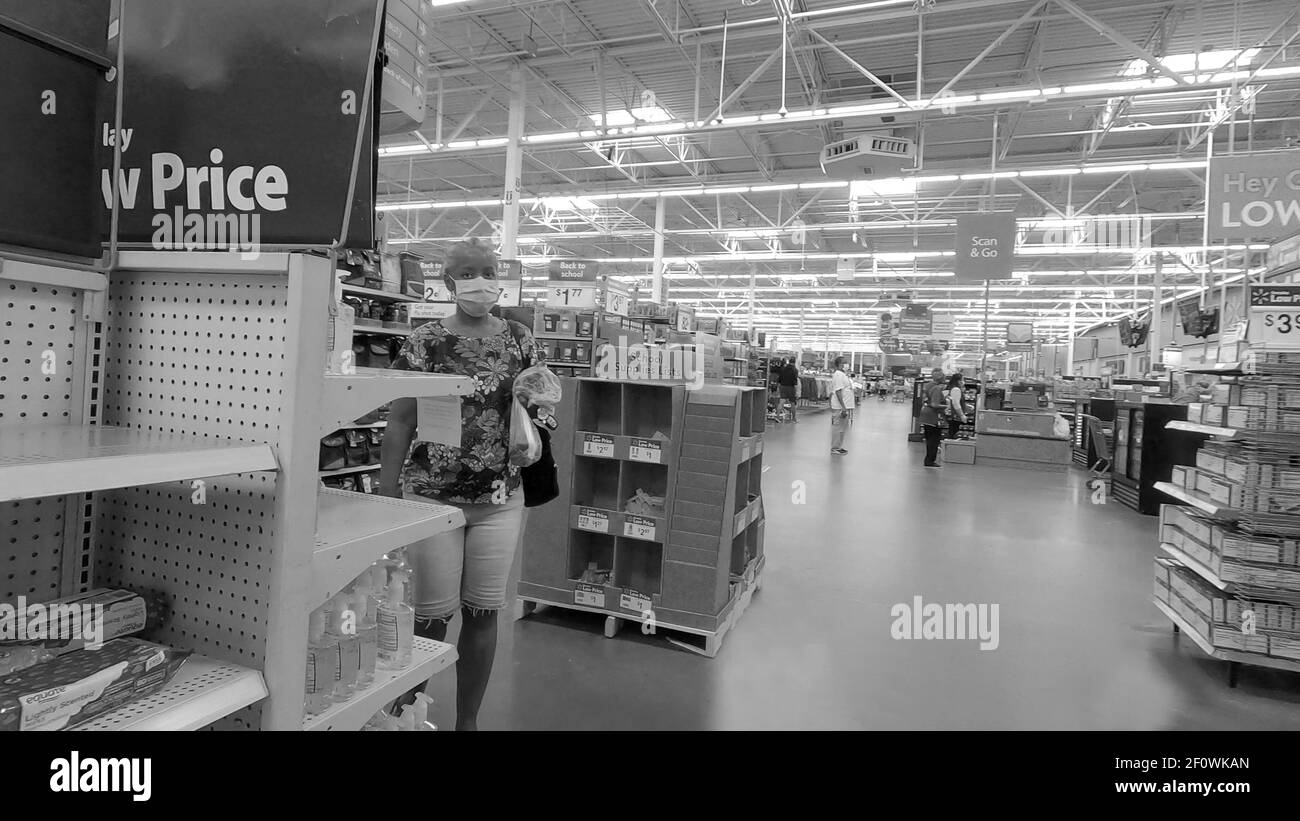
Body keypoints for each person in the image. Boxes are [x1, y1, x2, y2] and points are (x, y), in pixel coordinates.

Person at [378, 238, 549, 731]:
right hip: (432, 495)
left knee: (483, 611)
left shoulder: (520, 338)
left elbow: (536, 405)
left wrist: (539, 407)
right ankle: (405, 716)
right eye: (468, 272)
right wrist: (388, 493)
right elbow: (399, 419)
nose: (481, 280)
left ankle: (467, 721)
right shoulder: (425, 339)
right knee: (430, 616)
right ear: (449, 282)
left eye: (488, 270)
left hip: (500, 497)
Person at [918, 367, 948, 467]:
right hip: (933, 416)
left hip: (925, 415)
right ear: (940, 378)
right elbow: (935, 404)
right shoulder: (936, 388)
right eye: (943, 376)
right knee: (934, 439)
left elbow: (925, 400)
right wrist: (947, 405)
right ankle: (930, 461)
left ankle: (928, 460)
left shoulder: (928, 385)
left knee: (929, 438)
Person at [830, 356, 854, 455]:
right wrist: (843, 407)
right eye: (845, 363)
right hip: (840, 407)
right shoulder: (839, 375)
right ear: (839, 364)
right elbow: (838, 391)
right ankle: (835, 447)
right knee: (838, 427)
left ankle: (838, 446)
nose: (847, 364)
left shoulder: (842, 374)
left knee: (841, 428)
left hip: (844, 406)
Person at [945, 373, 966, 439]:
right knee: (953, 434)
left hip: (951, 416)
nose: (963, 382)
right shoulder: (956, 389)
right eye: (963, 380)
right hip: (955, 416)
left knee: (951, 433)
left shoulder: (950, 388)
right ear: (958, 381)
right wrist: (962, 415)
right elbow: (956, 403)